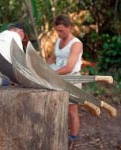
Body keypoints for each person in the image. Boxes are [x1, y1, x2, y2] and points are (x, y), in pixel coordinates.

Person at [46, 14, 83, 150]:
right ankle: (55, 135)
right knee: (55, 107)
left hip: (72, 79)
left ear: (69, 28)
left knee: (72, 111)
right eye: (57, 30)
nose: (59, 33)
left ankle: (73, 141)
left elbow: (69, 67)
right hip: (57, 78)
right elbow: (52, 58)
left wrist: (49, 74)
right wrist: (43, 68)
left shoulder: (76, 44)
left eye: (61, 30)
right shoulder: (58, 41)